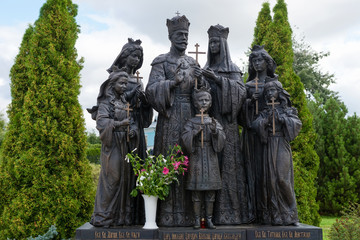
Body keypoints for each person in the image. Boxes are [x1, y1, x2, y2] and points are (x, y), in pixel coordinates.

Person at [145, 14, 205, 227]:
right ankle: (168, 214)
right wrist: (171, 83)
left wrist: (202, 80)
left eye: (186, 35)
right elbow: (151, 91)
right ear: (170, 36)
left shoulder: (192, 62)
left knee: (192, 162)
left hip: (190, 116)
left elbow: (202, 95)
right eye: (179, 34)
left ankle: (193, 215)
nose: (184, 38)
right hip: (169, 118)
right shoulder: (161, 61)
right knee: (169, 161)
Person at [202, 24, 252, 224]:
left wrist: (219, 80)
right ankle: (207, 215)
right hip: (209, 124)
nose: (213, 45)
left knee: (229, 168)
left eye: (216, 42)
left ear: (223, 44)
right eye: (211, 42)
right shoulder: (206, 69)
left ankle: (231, 213)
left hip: (228, 126)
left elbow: (241, 95)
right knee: (209, 167)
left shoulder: (233, 70)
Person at [90, 70, 139, 227]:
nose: (124, 86)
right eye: (121, 83)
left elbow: (132, 123)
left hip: (125, 144)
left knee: (125, 178)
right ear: (112, 85)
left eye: (126, 83)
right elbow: (102, 123)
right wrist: (119, 124)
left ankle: (120, 217)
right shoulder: (105, 104)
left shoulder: (125, 104)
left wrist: (132, 131)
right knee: (113, 178)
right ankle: (104, 216)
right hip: (112, 146)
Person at [251, 80, 301, 226]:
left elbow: (296, 124)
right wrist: (265, 121)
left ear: (279, 92)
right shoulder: (264, 111)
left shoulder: (287, 110)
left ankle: (291, 214)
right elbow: (255, 125)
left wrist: (283, 119)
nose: (270, 94)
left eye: (272, 90)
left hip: (281, 144)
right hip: (268, 146)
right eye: (267, 92)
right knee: (270, 181)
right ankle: (275, 215)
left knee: (282, 179)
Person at [239, 45, 277, 224]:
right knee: (252, 171)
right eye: (253, 61)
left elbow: (283, 106)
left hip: (269, 135)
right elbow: (238, 115)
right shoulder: (247, 85)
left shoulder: (273, 84)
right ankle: (252, 211)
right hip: (251, 134)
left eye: (260, 60)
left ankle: (270, 211)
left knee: (269, 171)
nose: (256, 63)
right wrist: (248, 102)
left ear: (267, 62)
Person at [181, 87, 225, 229]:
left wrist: (214, 132)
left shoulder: (214, 121)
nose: (204, 102)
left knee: (210, 191)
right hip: (196, 158)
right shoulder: (191, 122)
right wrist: (194, 132)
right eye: (201, 100)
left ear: (211, 103)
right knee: (196, 191)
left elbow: (221, 140)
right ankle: (197, 219)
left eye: (207, 100)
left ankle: (209, 219)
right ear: (195, 103)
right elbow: (184, 138)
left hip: (210, 157)